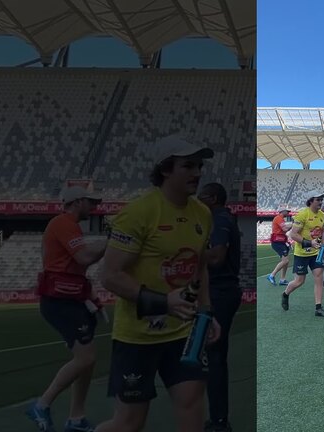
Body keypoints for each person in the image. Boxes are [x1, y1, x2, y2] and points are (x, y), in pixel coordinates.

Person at [95, 135, 221, 432]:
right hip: (137, 338)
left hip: (182, 334)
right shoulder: (137, 213)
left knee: (192, 405)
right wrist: (164, 302)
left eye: (199, 166)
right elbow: (110, 275)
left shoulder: (202, 213)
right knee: (129, 423)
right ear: (165, 169)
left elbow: (200, 265)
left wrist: (206, 312)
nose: (198, 173)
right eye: (188, 166)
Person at [27, 186, 107, 432]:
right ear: (77, 201)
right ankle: (42, 404)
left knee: (87, 361)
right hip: (60, 301)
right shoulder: (63, 223)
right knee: (86, 357)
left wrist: (91, 298)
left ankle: (76, 418)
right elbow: (84, 258)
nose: (93, 206)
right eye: (90, 202)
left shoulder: (68, 226)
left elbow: (78, 266)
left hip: (70, 299)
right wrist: (112, 241)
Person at [198, 183, 242, 432]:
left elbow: (216, 257)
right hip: (221, 291)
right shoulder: (221, 217)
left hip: (219, 292)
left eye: (201, 196)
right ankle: (217, 419)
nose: (197, 199)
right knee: (213, 356)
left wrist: (185, 254)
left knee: (212, 357)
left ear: (212, 198)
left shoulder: (218, 218)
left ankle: (218, 421)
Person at [281, 191, 324, 317]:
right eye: (318, 199)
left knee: (319, 277)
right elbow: (293, 234)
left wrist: (323, 246)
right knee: (299, 281)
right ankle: (285, 294)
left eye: (321, 200)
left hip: (315, 253)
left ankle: (318, 308)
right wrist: (309, 243)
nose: (320, 202)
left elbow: (321, 232)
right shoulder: (302, 214)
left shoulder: (322, 215)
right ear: (310, 200)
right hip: (301, 254)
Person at [267, 208, 292, 286]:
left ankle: (282, 279)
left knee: (286, 261)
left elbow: (284, 230)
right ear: (282, 211)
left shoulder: (280, 219)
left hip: (281, 242)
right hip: (278, 242)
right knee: (285, 261)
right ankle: (272, 275)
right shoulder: (278, 218)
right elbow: (284, 229)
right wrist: (293, 225)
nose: (288, 212)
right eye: (287, 211)